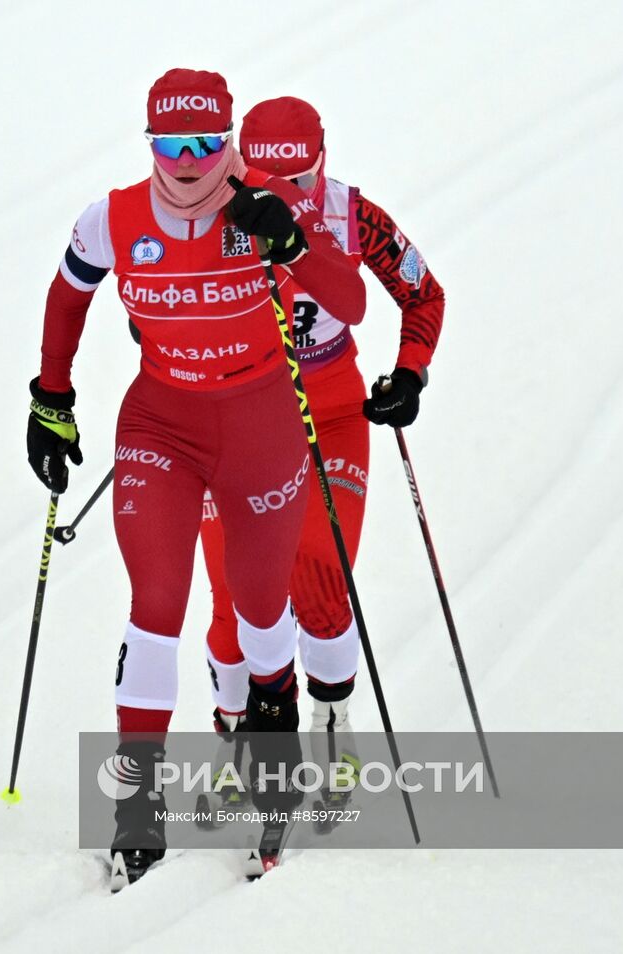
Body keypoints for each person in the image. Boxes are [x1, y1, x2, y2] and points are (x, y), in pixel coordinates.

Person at [26, 69, 365, 885]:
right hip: (161, 426)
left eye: (205, 145)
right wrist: (51, 396)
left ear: (229, 142)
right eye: (169, 145)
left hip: (262, 424)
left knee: (259, 612)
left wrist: (290, 243)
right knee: (155, 607)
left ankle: (274, 770)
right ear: (149, 144)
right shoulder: (111, 218)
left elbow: (348, 298)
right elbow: (67, 297)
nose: (186, 163)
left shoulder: (265, 203)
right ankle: (136, 810)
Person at [198, 96, 445, 813]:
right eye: (266, 183)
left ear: (322, 161)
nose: (285, 199)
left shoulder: (350, 214)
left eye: (297, 181)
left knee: (318, 574)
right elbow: (154, 297)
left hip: (330, 416)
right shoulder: (207, 212)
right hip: (238, 423)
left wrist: (410, 372)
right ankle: (235, 731)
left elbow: (422, 293)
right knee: (231, 596)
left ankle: (331, 720)